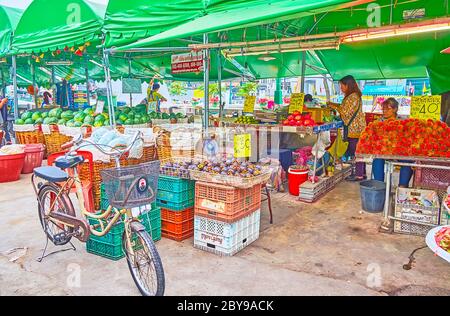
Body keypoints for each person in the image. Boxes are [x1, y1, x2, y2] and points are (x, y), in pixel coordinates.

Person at [327, 75, 367, 181]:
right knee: (357, 151)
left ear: (348, 85)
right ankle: (362, 173)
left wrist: (333, 106)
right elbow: (344, 108)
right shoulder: (352, 96)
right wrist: (333, 104)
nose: (341, 88)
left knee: (356, 151)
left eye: (342, 85)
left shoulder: (353, 96)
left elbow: (345, 112)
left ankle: (359, 175)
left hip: (355, 129)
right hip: (355, 128)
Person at [372, 98, 413, 187]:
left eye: (388, 109)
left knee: (408, 161)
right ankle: (379, 186)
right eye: (383, 109)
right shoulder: (378, 122)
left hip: (399, 152)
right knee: (377, 159)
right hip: (383, 151)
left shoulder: (403, 121)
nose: (385, 111)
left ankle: (402, 187)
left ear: (395, 109)